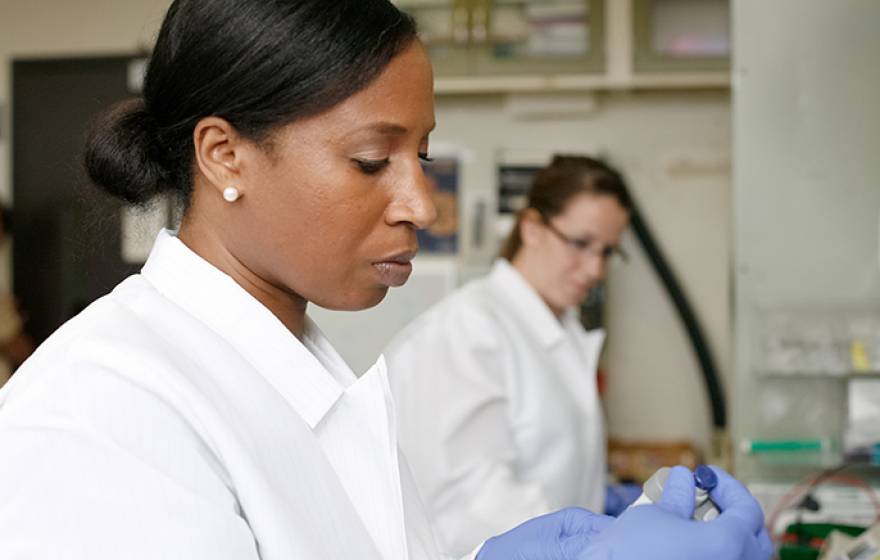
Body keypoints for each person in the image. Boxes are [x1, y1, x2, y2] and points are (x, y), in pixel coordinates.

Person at [0, 1, 771, 559]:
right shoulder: (98, 411)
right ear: (224, 155)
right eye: (372, 160)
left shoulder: (300, 365)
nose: (420, 203)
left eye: (422, 157)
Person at [384, 155, 633, 555]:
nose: (595, 269)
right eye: (581, 244)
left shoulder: (560, 332)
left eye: (607, 252)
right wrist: (601, 546)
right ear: (532, 228)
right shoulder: (465, 333)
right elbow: (471, 507)